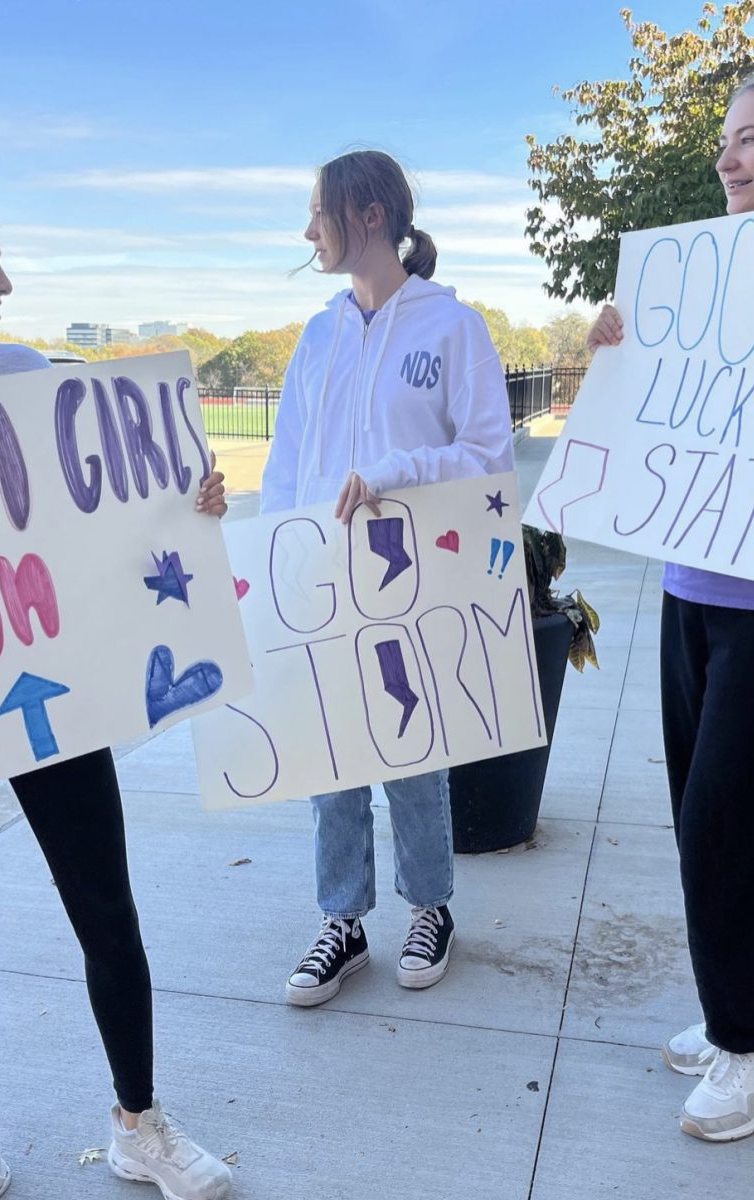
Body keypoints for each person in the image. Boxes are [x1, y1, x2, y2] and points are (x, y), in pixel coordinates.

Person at [0, 169, 233, 1200]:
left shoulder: (24, 374)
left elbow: (115, 494)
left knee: (104, 907)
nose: (5, 283)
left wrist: (187, 503)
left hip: (53, 691)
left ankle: (139, 1124)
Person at [586, 67, 754, 1142]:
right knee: (726, 815)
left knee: (724, 825)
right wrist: (615, 356)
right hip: (693, 577)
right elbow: (670, 410)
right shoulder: (696, 274)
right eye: (722, 144)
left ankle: (745, 1050)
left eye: (748, 138)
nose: (727, 158)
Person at [260, 149, 513, 1007]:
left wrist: (399, 471)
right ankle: (342, 919)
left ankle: (431, 906)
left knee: (413, 746)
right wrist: (272, 554)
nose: (307, 232)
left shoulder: (453, 327)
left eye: (317, 212)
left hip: (415, 573)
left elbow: (487, 457)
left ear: (369, 215)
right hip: (325, 573)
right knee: (332, 751)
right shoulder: (320, 333)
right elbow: (290, 459)